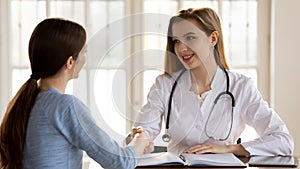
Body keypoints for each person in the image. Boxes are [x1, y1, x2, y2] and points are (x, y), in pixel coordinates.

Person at [126, 7, 294, 156]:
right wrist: (139, 141)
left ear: (213, 38)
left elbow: (283, 140)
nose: (181, 48)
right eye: (176, 40)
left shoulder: (241, 86)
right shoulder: (164, 85)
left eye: (190, 38)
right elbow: (145, 131)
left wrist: (229, 149)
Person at [0, 18, 150, 169]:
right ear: (70, 62)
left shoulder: (23, 103)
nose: (85, 57)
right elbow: (120, 162)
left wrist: (134, 146)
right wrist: (141, 140)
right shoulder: (65, 106)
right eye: (84, 51)